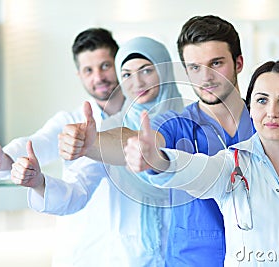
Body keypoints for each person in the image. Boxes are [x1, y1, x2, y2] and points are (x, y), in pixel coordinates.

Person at [124, 60, 279, 267]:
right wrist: (157, 160)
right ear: (250, 107)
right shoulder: (230, 165)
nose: (271, 112)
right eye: (262, 100)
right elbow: (195, 170)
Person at [58, 15, 254, 266]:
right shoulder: (176, 123)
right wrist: (91, 143)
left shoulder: (266, 124)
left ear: (238, 63)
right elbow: (135, 139)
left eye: (216, 63)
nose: (205, 77)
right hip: (192, 260)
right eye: (194, 67)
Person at [10, 36, 184, 266]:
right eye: (127, 74)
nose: (138, 82)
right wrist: (40, 183)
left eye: (146, 70)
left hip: (185, 252)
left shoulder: (190, 119)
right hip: (131, 257)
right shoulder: (112, 129)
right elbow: (78, 190)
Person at [0, 28, 126, 266]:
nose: (98, 77)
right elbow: (39, 142)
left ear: (119, 64)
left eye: (105, 66)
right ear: (79, 75)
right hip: (84, 254)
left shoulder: (143, 121)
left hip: (133, 255)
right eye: (88, 70)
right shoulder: (70, 122)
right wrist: (2, 159)